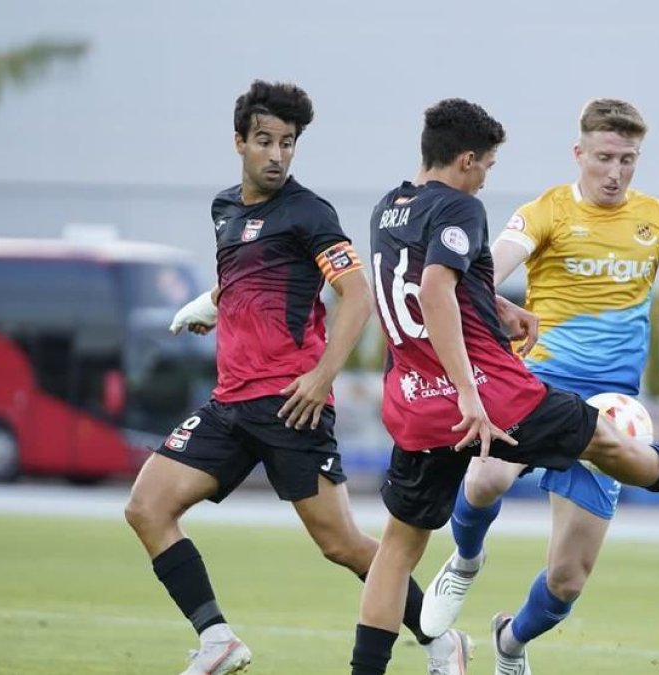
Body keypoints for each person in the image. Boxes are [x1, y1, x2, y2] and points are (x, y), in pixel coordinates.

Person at [349, 98, 659, 675]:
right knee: (603, 439)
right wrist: (469, 392)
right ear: (465, 160)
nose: (486, 178)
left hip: (411, 402)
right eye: (486, 166)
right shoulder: (460, 207)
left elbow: (423, 290)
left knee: (396, 551)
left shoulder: (389, 209)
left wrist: (499, 311)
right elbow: (434, 291)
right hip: (491, 391)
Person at [123, 80, 469, 675]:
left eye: (288, 143)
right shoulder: (224, 209)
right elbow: (246, 274)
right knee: (146, 508)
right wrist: (211, 304)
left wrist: (320, 376)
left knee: (343, 545)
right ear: (239, 142)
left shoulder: (310, 213)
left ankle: (440, 639)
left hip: (291, 405)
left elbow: (356, 298)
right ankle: (217, 640)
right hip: (229, 405)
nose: (278, 154)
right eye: (265, 141)